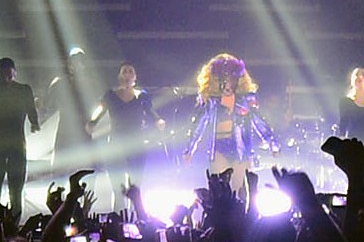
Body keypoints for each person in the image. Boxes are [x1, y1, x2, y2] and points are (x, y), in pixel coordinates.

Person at [183, 53, 279, 199]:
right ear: (216, 80)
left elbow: (259, 122)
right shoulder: (210, 101)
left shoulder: (247, 99)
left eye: (231, 80)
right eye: (224, 80)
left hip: (241, 149)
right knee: (220, 193)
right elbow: (199, 125)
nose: (228, 85)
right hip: (219, 148)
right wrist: (190, 149)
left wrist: (273, 144)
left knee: (242, 193)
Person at [86, 62, 165, 211]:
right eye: (124, 71)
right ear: (120, 76)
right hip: (116, 145)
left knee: (135, 187)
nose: (127, 74)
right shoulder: (110, 95)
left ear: (135, 76)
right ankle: (118, 220)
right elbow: (100, 110)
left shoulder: (142, 96)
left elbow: (150, 111)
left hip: (136, 145)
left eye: (130, 71)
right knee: (118, 188)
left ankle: (137, 221)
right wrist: (92, 122)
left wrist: (158, 120)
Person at [45, 47, 98, 177]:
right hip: (65, 131)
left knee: (84, 170)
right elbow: (48, 106)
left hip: (83, 130)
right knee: (60, 171)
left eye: (79, 62)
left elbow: (99, 106)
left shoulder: (91, 83)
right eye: (72, 62)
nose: (76, 65)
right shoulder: (59, 83)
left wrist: (93, 121)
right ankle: (58, 195)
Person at [0, 57, 40, 223]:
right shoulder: (23, 90)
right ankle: (12, 224)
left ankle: (13, 223)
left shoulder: (23, 90)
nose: (6, 77)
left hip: (15, 144)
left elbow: (31, 108)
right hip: (14, 144)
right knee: (16, 187)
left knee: (16, 188)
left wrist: (34, 122)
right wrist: (34, 122)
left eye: (8, 73)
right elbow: (31, 108)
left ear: (14, 73)